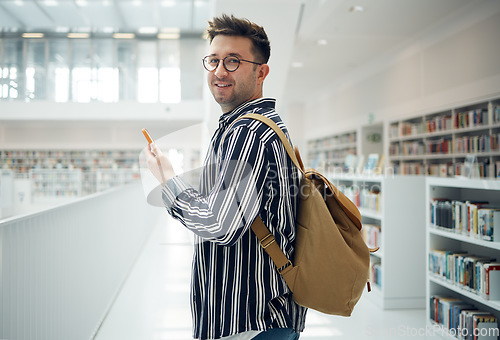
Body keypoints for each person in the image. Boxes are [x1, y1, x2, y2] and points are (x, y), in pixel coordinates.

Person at [146, 14, 307, 340]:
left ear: (261, 72)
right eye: (214, 60)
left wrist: (169, 182)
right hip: (256, 319)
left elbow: (219, 224)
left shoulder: (249, 132)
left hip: (250, 321)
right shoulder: (250, 127)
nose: (219, 71)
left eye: (233, 61)